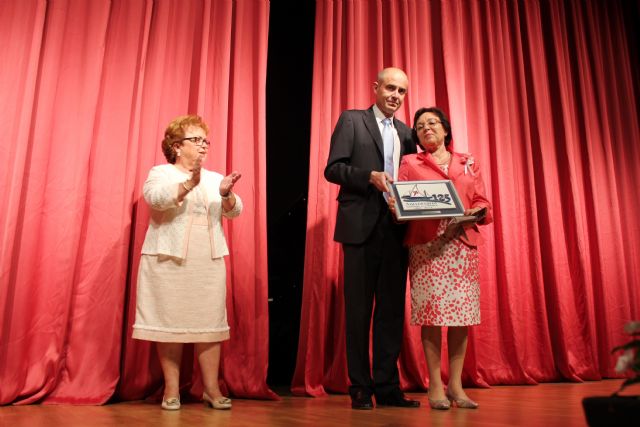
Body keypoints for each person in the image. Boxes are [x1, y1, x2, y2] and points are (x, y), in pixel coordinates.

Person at [324, 67, 420, 410]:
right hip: (360, 228)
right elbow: (333, 168)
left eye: (402, 91)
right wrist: (370, 177)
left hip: (396, 230)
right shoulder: (352, 120)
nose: (395, 95)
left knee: (392, 312)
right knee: (359, 312)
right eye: (390, 88)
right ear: (376, 87)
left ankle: (388, 387)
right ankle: (360, 388)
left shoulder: (408, 133)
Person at [132, 115, 242, 411]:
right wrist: (186, 185)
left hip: (207, 258)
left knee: (209, 324)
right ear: (177, 146)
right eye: (197, 140)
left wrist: (226, 193)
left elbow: (234, 212)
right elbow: (155, 198)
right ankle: (171, 390)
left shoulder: (214, 177)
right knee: (170, 323)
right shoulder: (161, 172)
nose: (204, 145)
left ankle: (210, 389)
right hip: (167, 259)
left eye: (206, 140)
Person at [389, 107, 492, 410]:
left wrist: (476, 212)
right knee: (432, 318)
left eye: (432, 123)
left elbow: (483, 202)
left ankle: (456, 386)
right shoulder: (410, 162)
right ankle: (435, 385)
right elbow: (402, 202)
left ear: (446, 129)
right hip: (426, 247)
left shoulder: (468, 162)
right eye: (419, 126)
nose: (426, 128)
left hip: (461, 245)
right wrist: (397, 208)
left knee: (462, 319)